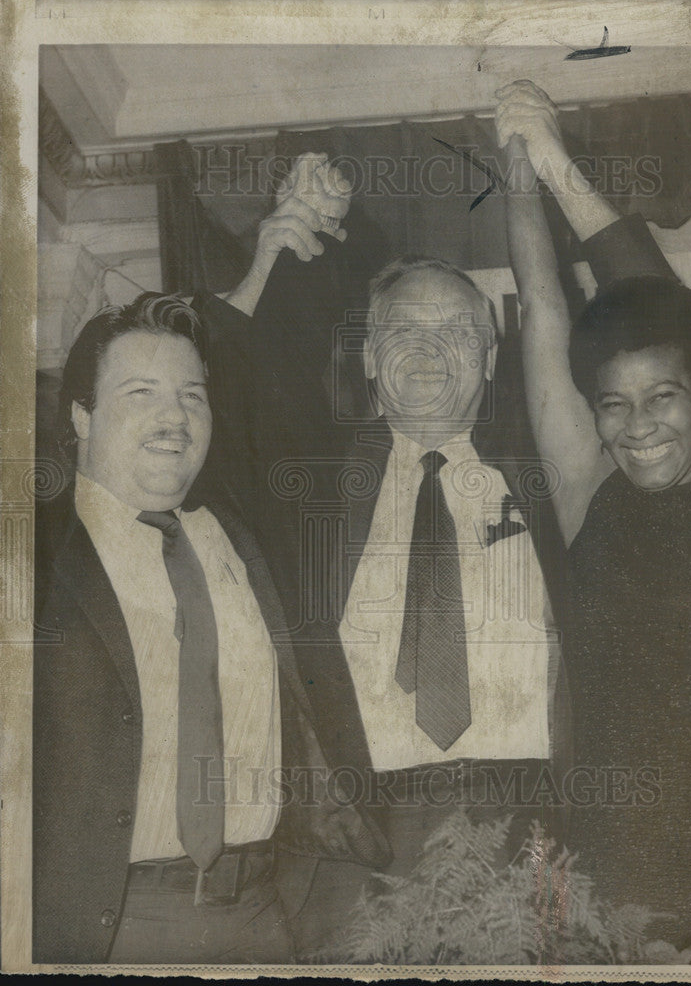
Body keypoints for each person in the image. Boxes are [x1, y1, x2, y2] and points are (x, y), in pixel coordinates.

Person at [196, 153, 575, 957]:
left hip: (532, 829)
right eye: (402, 329)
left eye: (456, 331)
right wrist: (268, 258)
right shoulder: (309, 491)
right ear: (367, 357)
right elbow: (213, 404)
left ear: (491, 356)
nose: (429, 347)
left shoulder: (549, 487)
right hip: (359, 842)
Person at [32, 293, 389, 965]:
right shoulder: (31, 553)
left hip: (265, 912)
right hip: (100, 925)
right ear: (82, 415)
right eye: (141, 392)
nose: (174, 417)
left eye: (193, 397)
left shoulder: (236, 536)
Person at [495, 80, 691, 943]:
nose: (638, 424)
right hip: (617, 872)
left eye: (663, 397)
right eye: (613, 404)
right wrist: (517, 162)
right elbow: (543, 309)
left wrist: (558, 159)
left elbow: (660, 303)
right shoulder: (589, 497)